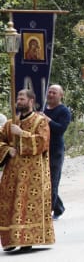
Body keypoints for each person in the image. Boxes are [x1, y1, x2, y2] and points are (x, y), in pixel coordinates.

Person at [0, 89, 54, 252]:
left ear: (31, 101)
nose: (19, 101)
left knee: (26, 205)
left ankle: (27, 239)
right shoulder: (10, 123)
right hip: (12, 173)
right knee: (10, 203)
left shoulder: (40, 121)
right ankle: (11, 239)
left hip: (33, 173)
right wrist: (7, 150)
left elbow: (42, 143)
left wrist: (21, 133)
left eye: (22, 98)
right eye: (18, 98)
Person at [42, 84, 72, 220]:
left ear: (61, 95)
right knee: (43, 181)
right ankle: (59, 207)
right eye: (50, 92)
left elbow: (60, 129)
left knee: (52, 182)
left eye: (54, 93)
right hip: (41, 150)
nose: (51, 95)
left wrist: (47, 120)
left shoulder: (64, 111)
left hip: (55, 151)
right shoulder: (42, 109)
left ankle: (46, 214)